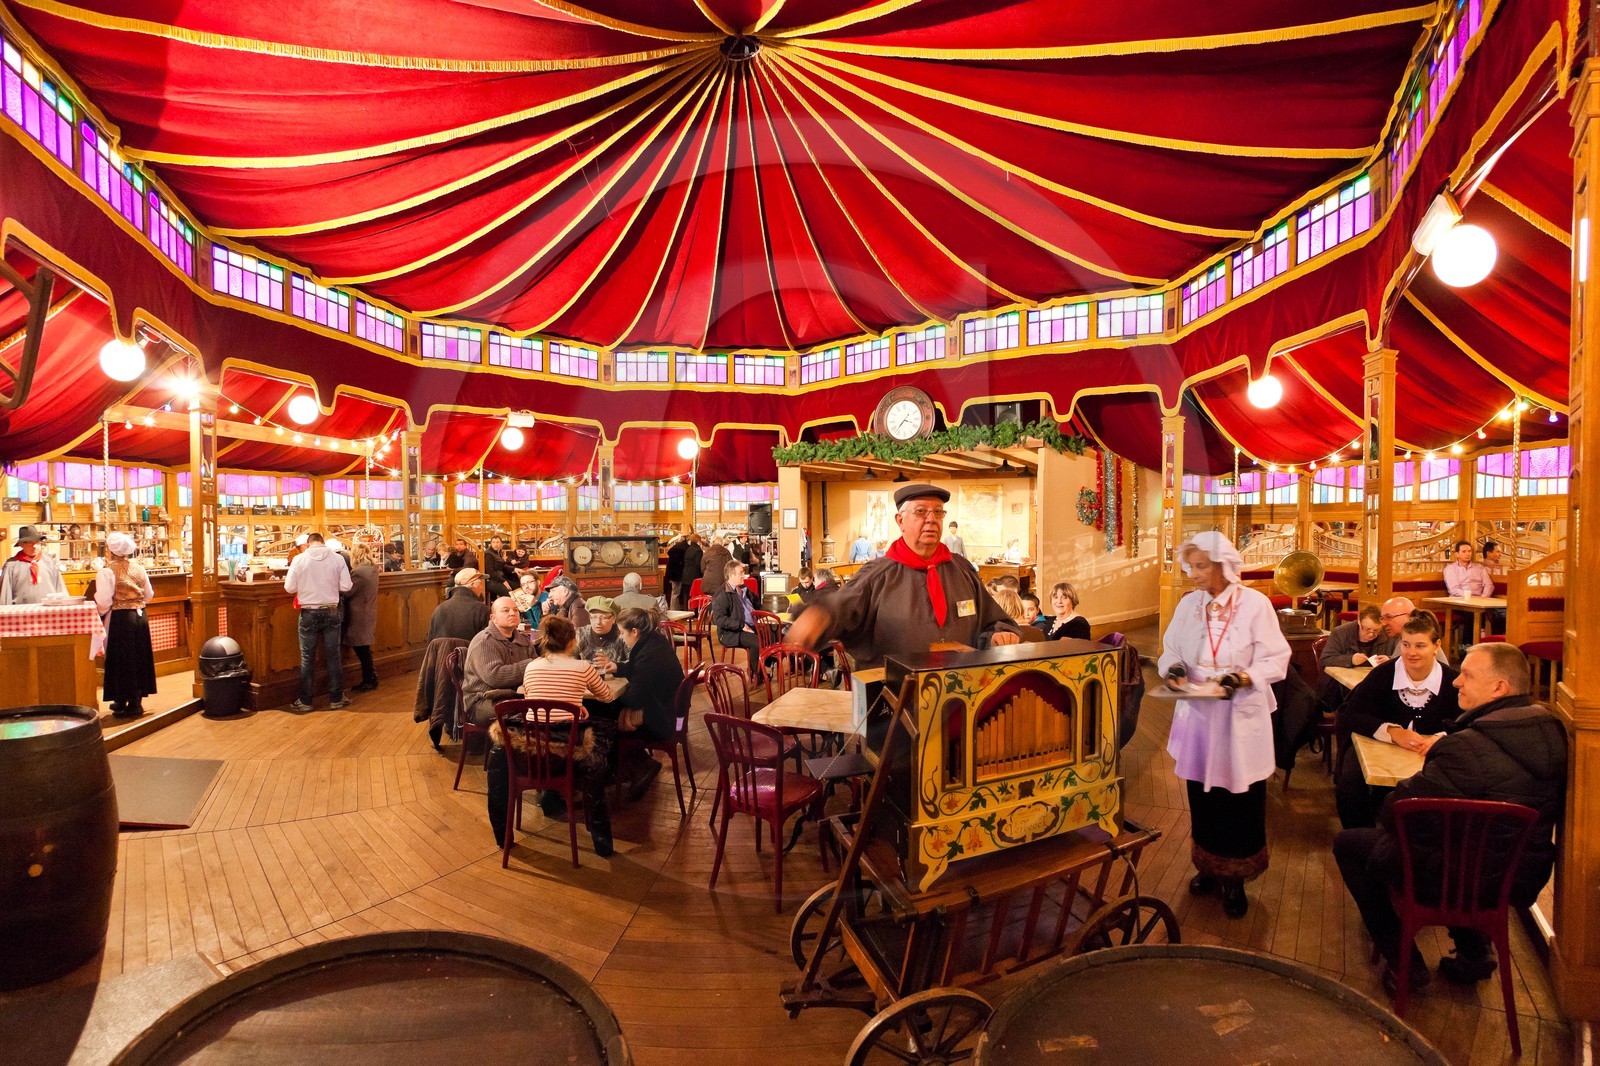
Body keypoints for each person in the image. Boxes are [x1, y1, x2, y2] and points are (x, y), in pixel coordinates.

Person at [1334, 643, 1567, 995]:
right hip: (1518, 876)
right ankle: (1475, 949)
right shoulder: (1550, 732)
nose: (1456, 682)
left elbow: (1397, 810)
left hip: (1465, 878)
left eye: (1468, 676)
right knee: (1461, 838)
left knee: (1350, 844)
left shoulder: (1465, 747)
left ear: (1498, 688)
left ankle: (1405, 963)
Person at [1157, 531, 1291, 919]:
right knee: (1202, 795)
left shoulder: (1255, 605)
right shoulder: (1188, 605)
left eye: (1201, 566)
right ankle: (1208, 868)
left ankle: (1236, 878)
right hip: (1199, 716)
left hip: (1238, 716)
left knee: (1240, 799)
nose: (1194, 574)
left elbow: (1276, 658)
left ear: (1224, 565)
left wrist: (1243, 678)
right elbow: (1171, 650)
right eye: (1191, 566)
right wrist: (1177, 671)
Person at [786, 484, 1022, 670]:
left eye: (938, 512)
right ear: (900, 521)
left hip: (958, 698)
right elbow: (840, 606)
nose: (931, 519)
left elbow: (993, 621)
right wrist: (818, 615)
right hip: (893, 703)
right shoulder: (878, 574)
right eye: (921, 511)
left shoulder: (961, 570)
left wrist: (998, 635)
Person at [1334, 612, 1460, 829]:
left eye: (1420, 646)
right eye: (1406, 645)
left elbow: (1467, 722)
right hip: (1376, 747)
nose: (1411, 653)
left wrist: (1441, 738)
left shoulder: (1452, 681)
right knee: (1350, 782)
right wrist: (1392, 732)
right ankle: (1364, 838)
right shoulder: (1383, 674)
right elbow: (1351, 714)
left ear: (1436, 646)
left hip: (1432, 754)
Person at [516, 614, 621, 856]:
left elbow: (532, 698)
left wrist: (573, 707)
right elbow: (606, 696)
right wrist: (576, 705)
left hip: (533, 746)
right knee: (602, 732)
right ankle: (601, 833)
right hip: (567, 748)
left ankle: (549, 795)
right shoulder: (581, 667)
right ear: (572, 642)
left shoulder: (531, 666)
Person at [613, 605, 683, 798]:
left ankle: (640, 766)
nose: (620, 637)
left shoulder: (648, 654)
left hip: (660, 719)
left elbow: (635, 700)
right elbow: (639, 670)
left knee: (604, 720)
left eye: (622, 633)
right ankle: (634, 767)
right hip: (666, 709)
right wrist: (617, 668)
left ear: (634, 632)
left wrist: (611, 697)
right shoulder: (654, 641)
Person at [284, 532, 354, 711]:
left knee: (307, 658)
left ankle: (306, 701)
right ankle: (336, 698)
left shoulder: (299, 559)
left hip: (308, 612)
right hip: (331, 610)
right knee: (333, 656)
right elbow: (346, 586)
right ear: (323, 542)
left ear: (308, 544)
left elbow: (289, 587)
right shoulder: (337, 559)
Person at [95, 532, 156, 718]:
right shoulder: (139, 569)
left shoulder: (107, 572)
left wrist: (100, 611)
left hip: (120, 618)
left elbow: (104, 600)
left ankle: (124, 699)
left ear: (110, 550)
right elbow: (149, 594)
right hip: (140, 616)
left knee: (120, 659)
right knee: (138, 657)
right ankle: (133, 700)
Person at [462, 596, 537, 729]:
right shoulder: (484, 642)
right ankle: (504, 749)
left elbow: (537, 671)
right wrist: (529, 665)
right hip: (483, 701)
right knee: (526, 713)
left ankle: (537, 747)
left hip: (516, 696)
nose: (512, 613)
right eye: (505, 610)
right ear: (493, 618)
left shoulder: (524, 640)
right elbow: (495, 677)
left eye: (515, 610)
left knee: (547, 707)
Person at [712, 561, 763, 676]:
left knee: (773, 635)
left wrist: (763, 616)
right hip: (731, 632)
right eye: (740, 573)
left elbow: (757, 603)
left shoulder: (743, 588)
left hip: (751, 625)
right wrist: (742, 625)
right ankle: (758, 674)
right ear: (731, 576)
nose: (743, 575)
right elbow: (719, 619)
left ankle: (764, 666)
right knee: (756, 642)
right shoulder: (722, 594)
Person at [344, 543, 381, 692]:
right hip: (367, 611)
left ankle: (369, 679)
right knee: (364, 647)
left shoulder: (359, 572)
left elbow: (348, 592)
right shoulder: (372, 569)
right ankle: (371, 677)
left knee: (361, 648)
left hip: (358, 613)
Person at [2, 525, 68, 605]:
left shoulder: (49, 562)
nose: (34, 546)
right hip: (22, 612)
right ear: (21, 544)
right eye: (30, 543)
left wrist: (64, 605)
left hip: (49, 610)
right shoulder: (11, 566)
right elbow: (5, 595)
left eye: (37, 542)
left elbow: (60, 588)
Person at [1321, 605, 1395, 669]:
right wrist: (1351, 660)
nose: (1371, 634)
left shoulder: (1389, 634)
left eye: (1376, 631)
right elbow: (1325, 660)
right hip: (1342, 682)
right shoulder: (1340, 632)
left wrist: (1390, 660)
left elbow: (1400, 658)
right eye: (1367, 629)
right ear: (1359, 621)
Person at [428, 568, 491, 641]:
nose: (481, 588)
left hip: (442, 652)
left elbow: (431, 643)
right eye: (480, 584)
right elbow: (486, 644)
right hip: (469, 652)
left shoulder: (440, 608)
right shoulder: (481, 610)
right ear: (472, 584)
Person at [578, 596, 628, 669]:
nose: (598, 622)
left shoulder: (623, 634)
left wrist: (614, 665)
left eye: (604, 618)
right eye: (594, 617)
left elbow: (635, 662)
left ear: (613, 619)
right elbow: (567, 659)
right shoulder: (580, 633)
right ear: (589, 618)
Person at [679, 533, 704, 607]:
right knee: (693, 595)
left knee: (686, 595)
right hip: (693, 575)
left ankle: (686, 610)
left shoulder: (688, 549)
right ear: (698, 541)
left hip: (685, 574)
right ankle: (692, 611)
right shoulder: (698, 550)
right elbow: (698, 564)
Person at [664, 535, 687, 608]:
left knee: (674, 593)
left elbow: (670, 565)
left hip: (673, 575)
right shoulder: (682, 550)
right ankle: (674, 608)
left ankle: (674, 608)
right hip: (678, 575)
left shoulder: (674, 550)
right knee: (676, 593)